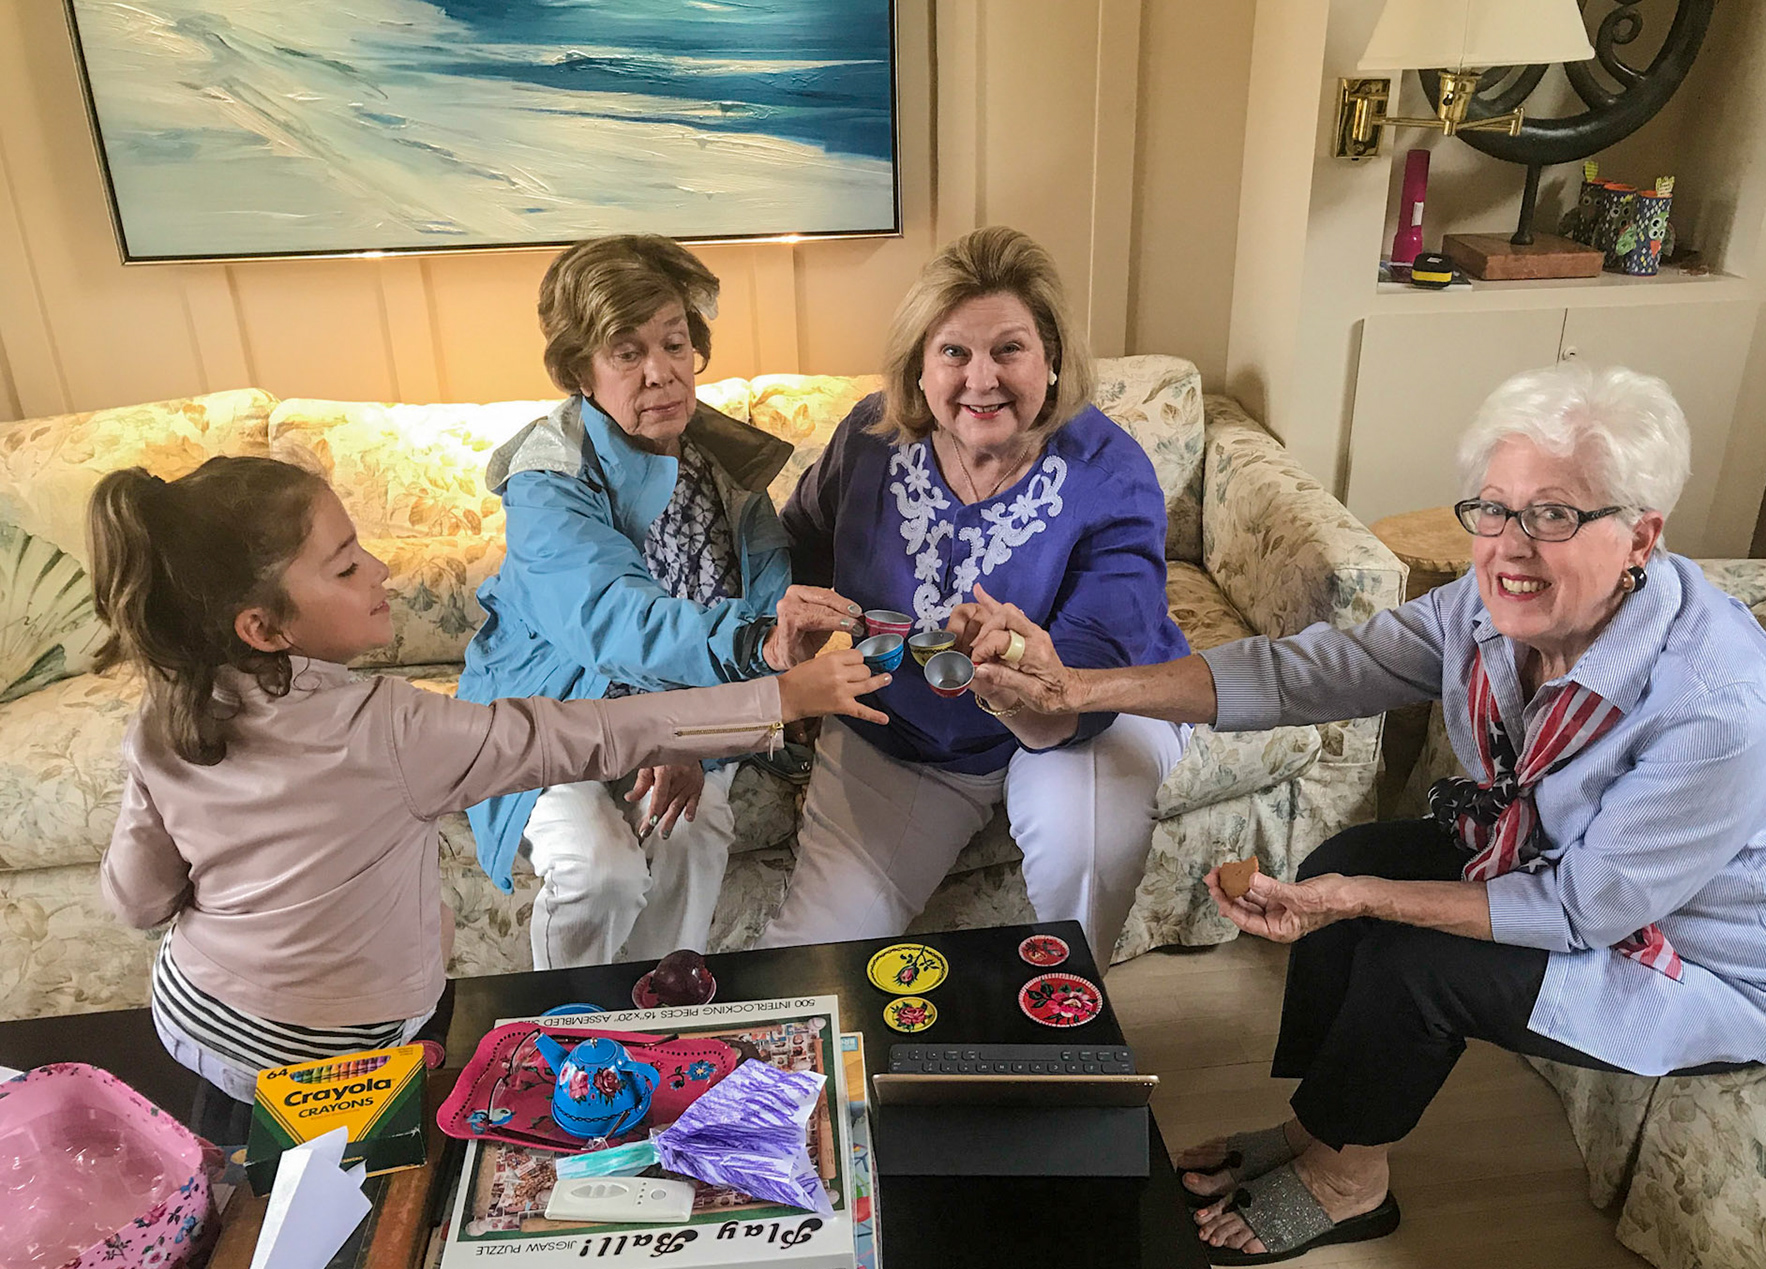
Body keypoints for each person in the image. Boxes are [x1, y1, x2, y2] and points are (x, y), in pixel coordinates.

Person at [966, 366, 1766, 1264]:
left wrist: (1360, 899)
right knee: (1344, 859)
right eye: (1494, 510)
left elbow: (1579, 911)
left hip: (1705, 960)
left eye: (1553, 515)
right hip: (1557, 865)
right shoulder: (1485, 610)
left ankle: (1350, 1183)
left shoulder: (1719, 708)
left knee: (1413, 958)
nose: (1509, 548)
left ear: (1641, 537)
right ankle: (1323, 1131)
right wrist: (1080, 689)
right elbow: (1307, 672)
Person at [91, 456, 888, 1102]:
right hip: (343, 1056)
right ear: (263, 627)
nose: (380, 569)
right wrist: (781, 698)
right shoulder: (390, 728)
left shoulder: (164, 714)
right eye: (346, 566)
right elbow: (590, 735)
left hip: (192, 1020)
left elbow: (139, 902)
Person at [758, 226, 1191, 968]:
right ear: (919, 367)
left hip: (1086, 716)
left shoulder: (1110, 471)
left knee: (1081, 851)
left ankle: (1069, 1018)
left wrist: (1019, 668)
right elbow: (794, 543)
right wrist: (779, 633)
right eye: (954, 351)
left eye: (1009, 349)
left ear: (1052, 360)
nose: (980, 379)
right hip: (905, 729)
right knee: (813, 958)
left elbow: (1090, 671)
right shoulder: (868, 439)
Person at [459, 235, 864, 970]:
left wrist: (698, 739)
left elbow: (768, 610)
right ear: (580, 370)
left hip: (691, 711)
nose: (661, 372)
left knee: (695, 830)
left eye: (675, 344)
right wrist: (718, 686)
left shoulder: (727, 468)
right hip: (559, 709)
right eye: (627, 353)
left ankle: (664, 1010)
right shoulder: (549, 477)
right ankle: (569, 1023)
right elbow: (612, 621)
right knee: (600, 871)